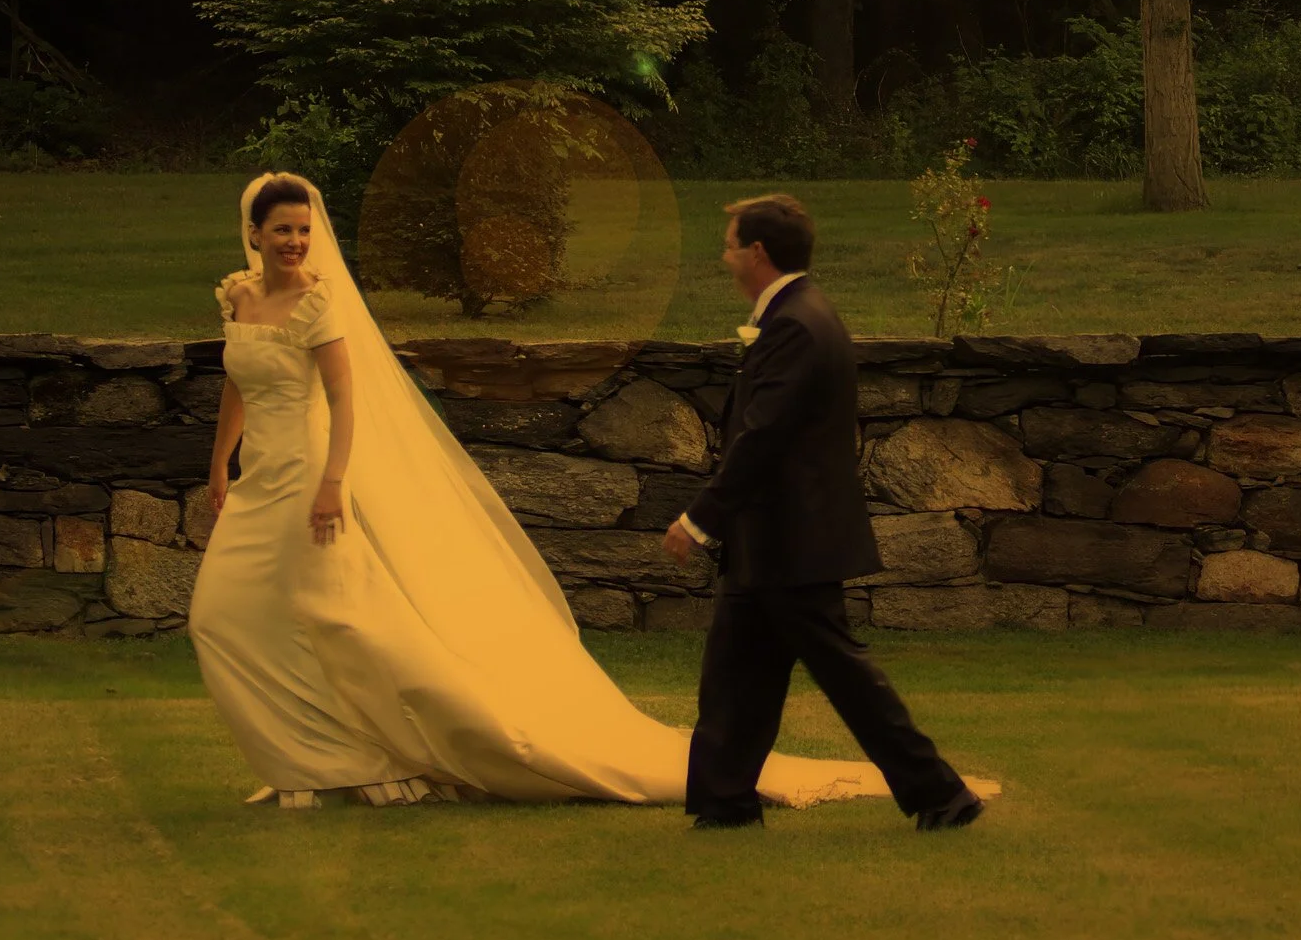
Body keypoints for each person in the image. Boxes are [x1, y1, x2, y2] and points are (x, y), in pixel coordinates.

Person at [186, 170, 900, 811]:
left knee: (340, 619)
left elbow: (346, 404)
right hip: (259, 482)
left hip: (310, 478)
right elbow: (238, 385)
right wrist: (222, 462)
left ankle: (358, 759)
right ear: (253, 233)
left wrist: (334, 481)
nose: (295, 241)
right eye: (282, 229)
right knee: (221, 616)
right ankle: (312, 754)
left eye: (304, 229)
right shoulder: (239, 297)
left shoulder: (320, 306)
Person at [666, 194, 985, 833]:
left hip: (792, 539)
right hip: (772, 539)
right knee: (735, 676)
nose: (724, 255)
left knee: (846, 678)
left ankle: (942, 794)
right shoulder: (796, 315)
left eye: (730, 244)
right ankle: (725, 803)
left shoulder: (794, 324)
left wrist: (701, 519)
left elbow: (763, 436)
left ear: (757, 253)